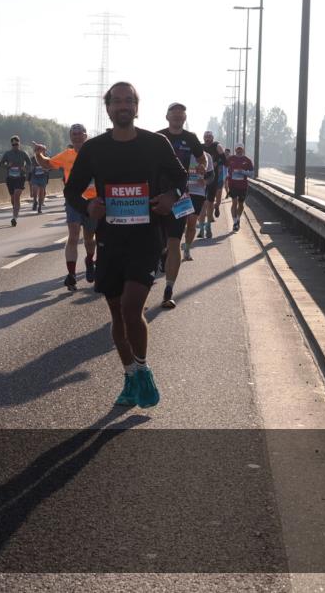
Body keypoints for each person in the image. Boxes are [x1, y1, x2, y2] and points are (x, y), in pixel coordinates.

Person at [64, 82, 187, 408]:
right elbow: (72, 190)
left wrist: (170, 196)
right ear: (108, 108)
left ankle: (142, 370)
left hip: (146, 238)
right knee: (118, 315)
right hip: (110, 239)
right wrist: (88, 206)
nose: (123, 106)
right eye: (117, 101)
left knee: (132, 309)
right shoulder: (94, 149)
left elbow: (180, 177)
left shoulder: (155, 143)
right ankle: (130, 375)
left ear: (137, 106)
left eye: (129, 101)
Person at [34, 124, 98, 291]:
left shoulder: (95, 153)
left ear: (85, 136)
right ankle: (71, 275)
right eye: (73, 134)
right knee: (73, 236)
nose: (77, 136)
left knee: (89, 239)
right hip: (73, 200)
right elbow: (47, 164)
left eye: (80, 133)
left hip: (92, 201)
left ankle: (89, 260)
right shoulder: (66, 154)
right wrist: (38, 154)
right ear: (70, 137)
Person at [156, 103, 206, 309]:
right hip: (158, 196)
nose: (177, 117)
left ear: (184, 118)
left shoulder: (191, 138)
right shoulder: (158, 137)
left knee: (175, 241)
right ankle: (161, 254)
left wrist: (201, 167)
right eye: (174, 114)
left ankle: (169, 290)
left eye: (181, 114)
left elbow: (202, 160)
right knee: (157, 242)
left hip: (181, 196)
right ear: (167, 116)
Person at [198, 131, 227, 238]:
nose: (207, 139)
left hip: (212, 179)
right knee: (202, 204)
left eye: (209, 137)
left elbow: (225, 162)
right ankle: (201, 229)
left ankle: (208, 227)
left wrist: (217, 162)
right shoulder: (200, 147)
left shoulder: (216, 146)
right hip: (201, 179)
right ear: (203, 138)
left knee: (210, 203)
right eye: (206, 137)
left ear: (213, 138)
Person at [0, 136, 31, 226]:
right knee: (13, 198)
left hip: (20, 177)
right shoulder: (7, 154)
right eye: (13, 145)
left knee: (17, 196)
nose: (15, 146)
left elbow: (30, 164)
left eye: (16, 144)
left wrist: (25, 168)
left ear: (19, 144)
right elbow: (1, 164)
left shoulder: (23, 153)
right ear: (11, 145)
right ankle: (15, 209)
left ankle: (14, 218)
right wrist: (7, 166)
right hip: (10, 178)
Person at [227, 144, 255, 232]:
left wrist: (243, 172)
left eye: (240, 149)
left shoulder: (247, 160)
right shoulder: (230, 159)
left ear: (243, 150)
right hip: (232, 185)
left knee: (241, 204)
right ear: (235, 150)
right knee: (234, 203)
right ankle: (235, 222)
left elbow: (252, 174)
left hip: (243, 186)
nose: (239, 150)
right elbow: (225, 168)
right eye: (237, 149)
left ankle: (238, 218)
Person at [29, 148, 51, 213]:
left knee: (41, 192)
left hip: (43, 177)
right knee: (35, 190)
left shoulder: (46, 158)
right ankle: (35, 201)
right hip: (35, 176)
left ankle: (40, 207)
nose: (39, 152)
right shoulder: (32, 159)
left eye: (40, 150)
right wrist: (32, 168)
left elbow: (50, 166)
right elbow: (28, 167)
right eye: (37, 150)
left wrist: (46, 169)